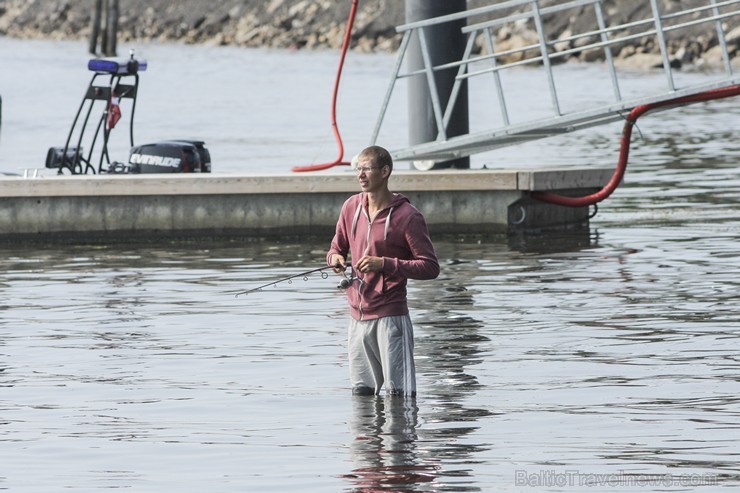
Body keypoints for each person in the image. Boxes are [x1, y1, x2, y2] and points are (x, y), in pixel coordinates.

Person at [327, 145, 440, 397]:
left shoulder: (408, 216)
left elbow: (430, 267)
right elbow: (337, 247)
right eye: (358, 169)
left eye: (367, 168)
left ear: (385, 171)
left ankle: (399, 437)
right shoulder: (350, 207)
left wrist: (385, 263)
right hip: (357, 319)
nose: (361, 175)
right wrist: (335, 258)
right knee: (362, 394)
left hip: (391, 318)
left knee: (399, 397)